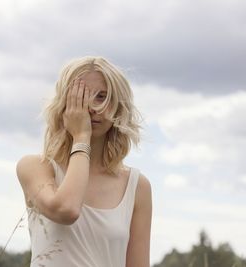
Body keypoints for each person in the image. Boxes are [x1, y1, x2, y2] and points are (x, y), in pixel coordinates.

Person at [16, 56, 152, 267]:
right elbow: (66, 210)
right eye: (81, 97)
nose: (92, 107)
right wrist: (81, 138)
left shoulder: (137, 186)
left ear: (117, 107)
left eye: (102, 97)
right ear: (64, 103)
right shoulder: (36, 167)